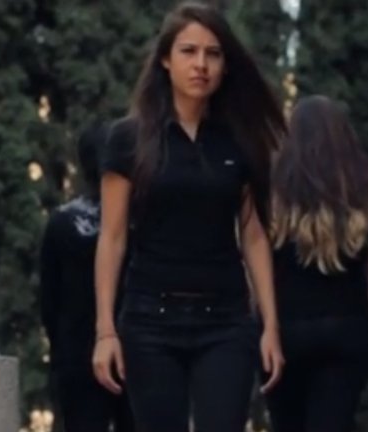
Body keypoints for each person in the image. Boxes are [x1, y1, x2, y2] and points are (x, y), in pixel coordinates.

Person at [90, 2, 286, 431]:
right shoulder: (128, 139)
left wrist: (270, 325)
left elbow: (254, 235)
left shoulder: (241, 140)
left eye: (214, 54)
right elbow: (113, 237)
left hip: (226, 321)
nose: (201, 64)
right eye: (189, 51)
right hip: (149, 321)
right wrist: (105, 332)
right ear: (165, 59)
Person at [262, 95, 368, 432]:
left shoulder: (271, 197)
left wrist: (264, 321)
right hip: (346, 331)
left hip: (285, 333)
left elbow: (254, 271)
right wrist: (357, 315)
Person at [39, 123, 134, 432]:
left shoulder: (63, 221)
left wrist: (60, 350)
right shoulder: (141, 221)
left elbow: (49, 298)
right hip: (138, 346)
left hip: (76, 351)